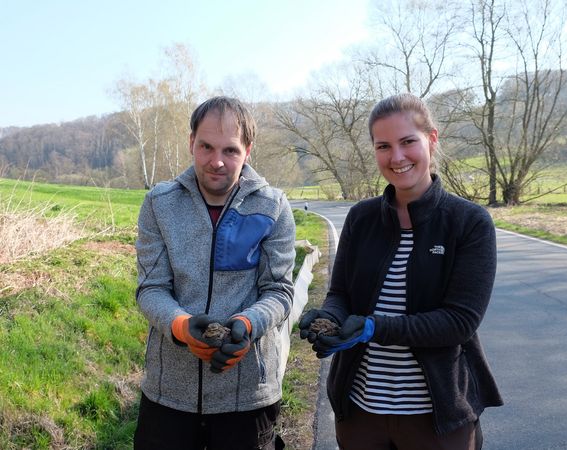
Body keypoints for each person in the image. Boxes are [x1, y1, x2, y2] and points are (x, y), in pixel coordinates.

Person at [299, 93, 503, 450]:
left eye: (408, 141)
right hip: (361, 411)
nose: (396, 157)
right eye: (383, 146)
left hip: (437, 417)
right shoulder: (361, 219)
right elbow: (340, 294)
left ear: (432, 139)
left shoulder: (469, 223)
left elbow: (459, 322)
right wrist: (330, 320)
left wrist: (373, 327)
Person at [134, 96, 295, 450]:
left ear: (248, 151)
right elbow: (150, 288)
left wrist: (248, 325)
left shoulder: (274, 206)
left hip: (248, 398)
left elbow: (280, 291)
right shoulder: (159, 204)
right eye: (206, 146)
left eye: (231, 150)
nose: (217, 161)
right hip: (168, 396)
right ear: (191, 141)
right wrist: (180, 326)